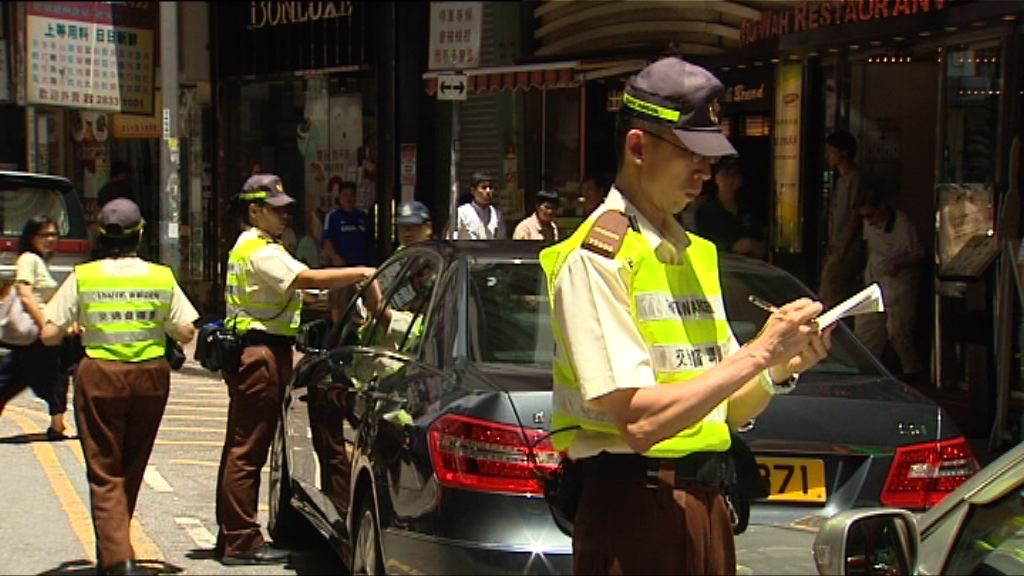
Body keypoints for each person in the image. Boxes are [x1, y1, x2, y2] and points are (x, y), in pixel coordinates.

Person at [538, 57, 832, 575]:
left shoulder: (696, 252)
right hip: (634, 508)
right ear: (637, 148)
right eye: (691, 153)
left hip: (705, 501)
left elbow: (725, 410)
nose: (705, 171)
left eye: (712, 157)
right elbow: (641, 420)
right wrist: (759, 351)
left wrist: (779, 367)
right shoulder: (597, 259)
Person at [214, 174, 374, 566]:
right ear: (255, 211)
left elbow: (301, 290)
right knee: (248, 447)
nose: (285, 214)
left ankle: (233, 533)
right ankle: (241, 541)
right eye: (276, 209)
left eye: (287, 207)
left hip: (262, 350)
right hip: (260, 353)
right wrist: (360, 273)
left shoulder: (264, 246)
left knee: (243, 444)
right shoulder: (258, 249)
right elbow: (305, 278)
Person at [40, 199, 199, 576]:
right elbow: (187, 330)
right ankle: (115, 548)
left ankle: (117, 560)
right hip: (150, 377)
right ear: (139, 234)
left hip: (100, 376)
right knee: (131, 464)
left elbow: (48, 334)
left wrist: (77, 326)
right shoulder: (160, 276)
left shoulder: (85, 276)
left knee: (104, 469)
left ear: (101, 235)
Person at [0, 215, 67, 439]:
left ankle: (58, 426)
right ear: (31, 237)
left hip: (37, 335)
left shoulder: (38, 260)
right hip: (35, 332)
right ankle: (57, 425)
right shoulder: (28, 259)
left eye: (53, 235)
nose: (50, 239)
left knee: (49, 376)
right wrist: (45, 326)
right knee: (18, 377)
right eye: (44, 235)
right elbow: (26, 295)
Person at [854, 190, 924, 382]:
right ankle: (865, 369)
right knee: (866, 328)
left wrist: (899, 264)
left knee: (898, 330)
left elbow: (918, 253)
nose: (868, 221)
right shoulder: (869, 225)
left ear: (882, 208)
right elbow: (869, 247)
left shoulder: (903, 224)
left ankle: (912, 371)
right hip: (874, 279)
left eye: (870, 215)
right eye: (864, 217)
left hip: (899, 284)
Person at [819, 130, 867, 308]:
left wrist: (842, 248)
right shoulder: (841, 180)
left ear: (844, 153)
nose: (828, 156)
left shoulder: (856, 179)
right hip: (836, 244)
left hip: (846, 246)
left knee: (832, 292)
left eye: (831, 151)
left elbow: (854, 216)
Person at [323, 180, 375, 323]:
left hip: (361, 270)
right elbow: (327, 241)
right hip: (341, 270)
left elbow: (370, 242)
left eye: (352, 195)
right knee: (338, 304)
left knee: (362, 305)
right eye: (345, 195)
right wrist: (335, 257)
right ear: (339, 197)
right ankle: (337, 335)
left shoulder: (362, 217)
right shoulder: (333, 217)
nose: (349, 198)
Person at [694, 157, 767, 259]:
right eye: (725, 174)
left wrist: (753, 245)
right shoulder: (705, 212)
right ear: (716, 178)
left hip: (751, 267)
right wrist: (733, 247)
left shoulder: (749, 210)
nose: (730, 179)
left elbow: (762, 242)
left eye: (734, 174)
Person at [455, 171, 506, 239]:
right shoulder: (462, 213)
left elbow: (501, 241)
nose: (488, 191)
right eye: (484, 187)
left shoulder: (496, 214)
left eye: (490, 187)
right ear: (473, 191)